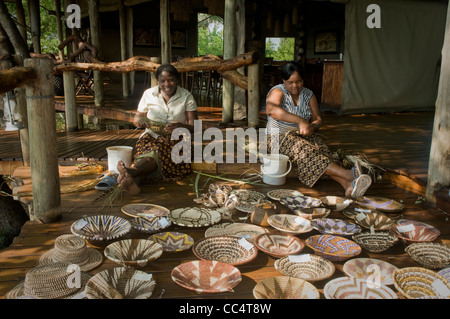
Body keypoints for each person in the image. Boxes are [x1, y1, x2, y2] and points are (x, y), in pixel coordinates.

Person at [265, 61, 372, 198]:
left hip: (302, 135)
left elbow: (318, 119)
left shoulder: (308, 95)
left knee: (322, 150)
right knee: (304, 151)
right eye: (290, 82)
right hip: (277, 137)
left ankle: (347, 185)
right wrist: (301, 120)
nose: (295, 86)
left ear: (303, 80)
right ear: (284, 81)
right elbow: (271, 110)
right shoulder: (278, 91)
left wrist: (311, 127)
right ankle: (349, 174)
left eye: (298, 81)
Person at [117, 64, 198, 195]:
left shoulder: (186, 96)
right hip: (151, 136)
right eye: (162, 81)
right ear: (158, 81)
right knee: (149, 150)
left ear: (177, 80)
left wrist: (180, 126)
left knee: (158, 150)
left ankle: (131, 171)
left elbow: (195, 127)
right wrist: (141, 121)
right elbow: (136, 120)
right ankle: (134, 182)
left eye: (171, 79)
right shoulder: (149, 94)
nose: (167, 84)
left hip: (178, 140)